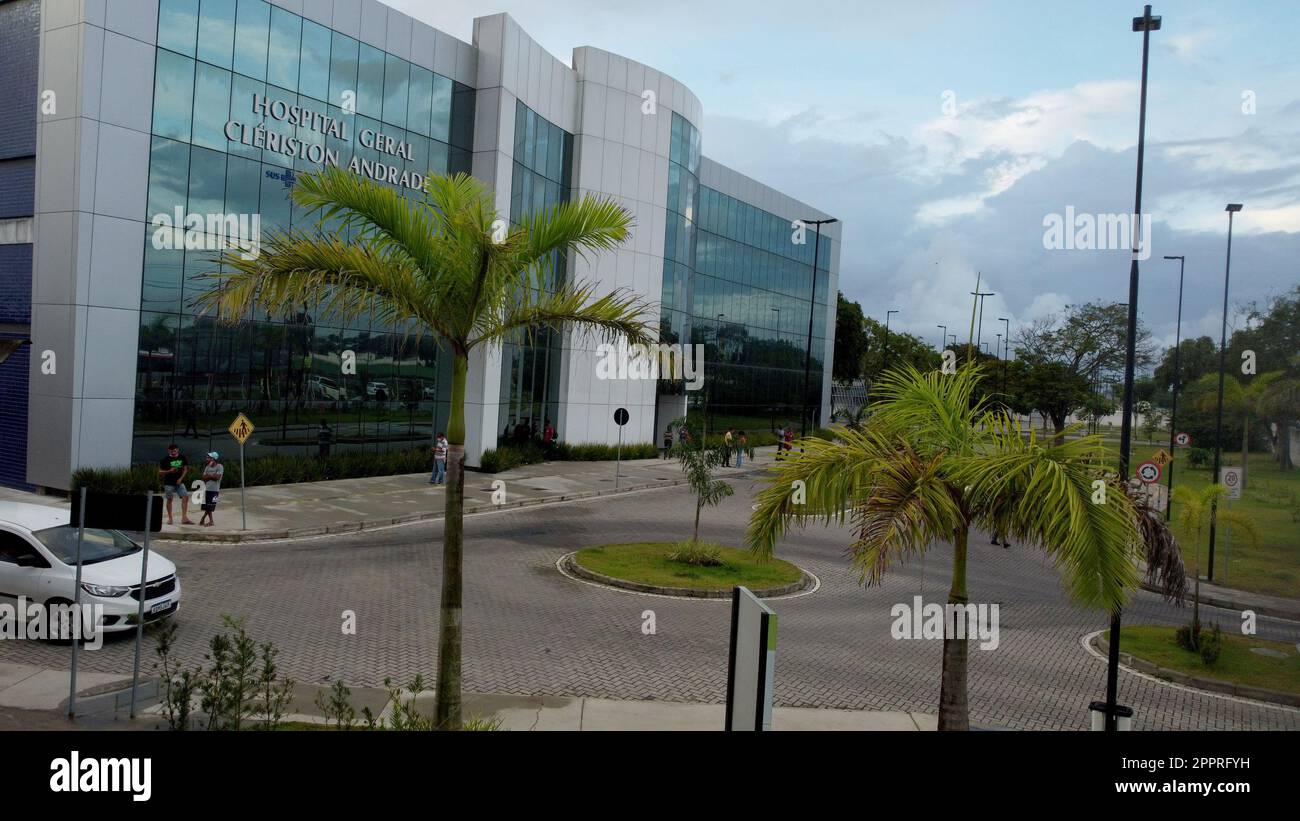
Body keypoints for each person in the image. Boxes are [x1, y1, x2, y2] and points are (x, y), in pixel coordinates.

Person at [157, 444, 193, 526]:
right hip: (169, 483)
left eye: (175, 451)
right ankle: (170, 518)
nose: (173, 453)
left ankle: (184, 518)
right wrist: (169, 471)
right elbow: (160, 472)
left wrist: (181, 478)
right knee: (170, 499)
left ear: (178, 450)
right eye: (171, 451)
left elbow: (185, 469)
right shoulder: (165, 460)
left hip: (179, 482)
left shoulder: (182, 457)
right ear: (168, 450)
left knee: (185, 497)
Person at [198, 452, 223, 527]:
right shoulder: (207, 467)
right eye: (207, 457)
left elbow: (217, 478)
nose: (206, 459)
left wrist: (208, 476)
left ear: (213, 459)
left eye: (208, 457)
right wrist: (211, 476)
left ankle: (210, 521)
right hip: (206, 489)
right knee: (207, 506)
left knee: (210, 506)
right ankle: (205, 519)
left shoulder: (219, 466)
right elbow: (203, 478)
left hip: (214, 490)